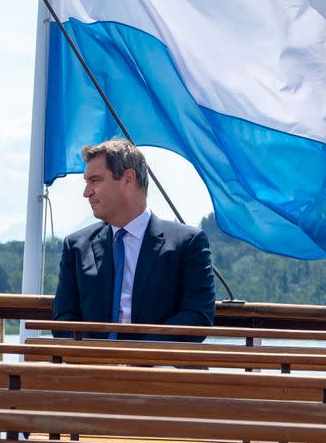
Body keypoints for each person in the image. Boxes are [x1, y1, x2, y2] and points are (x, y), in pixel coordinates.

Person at [52, 139, 215, 341]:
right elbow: (63, 318)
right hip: (93, 367)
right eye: (87, 183)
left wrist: (137, 357)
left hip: (163, 368)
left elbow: (197, 316)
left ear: (128, 179)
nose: (87, 192)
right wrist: (100, 357)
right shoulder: (76, 247)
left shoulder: (188, 244)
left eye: (95, 180)